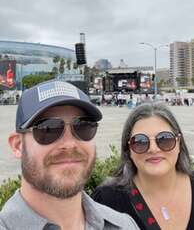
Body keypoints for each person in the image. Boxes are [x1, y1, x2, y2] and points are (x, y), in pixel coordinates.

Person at [0, 80, 139, 230]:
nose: (69, 144)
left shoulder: (124, 225)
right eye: (48, 128)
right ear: (18, 145)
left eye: (83, 126)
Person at [93, 103, 194, 230]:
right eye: (140, 141)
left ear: (179, 143)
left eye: (164, 139)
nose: (153, 149)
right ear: (129, 149)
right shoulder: (106, 201)